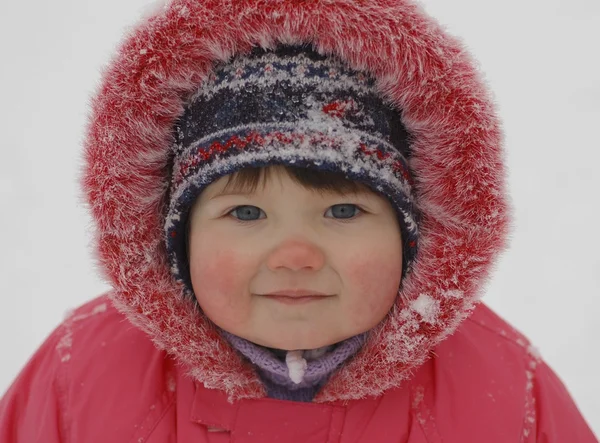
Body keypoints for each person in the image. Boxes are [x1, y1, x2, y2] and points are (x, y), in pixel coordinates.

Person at [0, 0, 596, 441]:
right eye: (246, 212)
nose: (295, 255)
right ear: (174, 240)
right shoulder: (83, 372)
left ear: (415, 241)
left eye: (342, 210)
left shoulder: (502, 385)